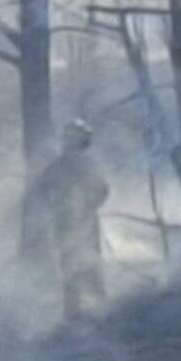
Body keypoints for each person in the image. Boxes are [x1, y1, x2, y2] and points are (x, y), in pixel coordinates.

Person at [43, 118, 112, 320]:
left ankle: (97, 309)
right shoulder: (60, 165)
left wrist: (89, 206)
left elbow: (103, 190)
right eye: (69, 138)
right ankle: (77, 311)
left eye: (74, 138)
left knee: (88, 264)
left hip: (82, 223)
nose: (70, 142)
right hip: (68, 223)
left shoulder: (81, 164)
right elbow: (43, 189)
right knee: (71, 266)